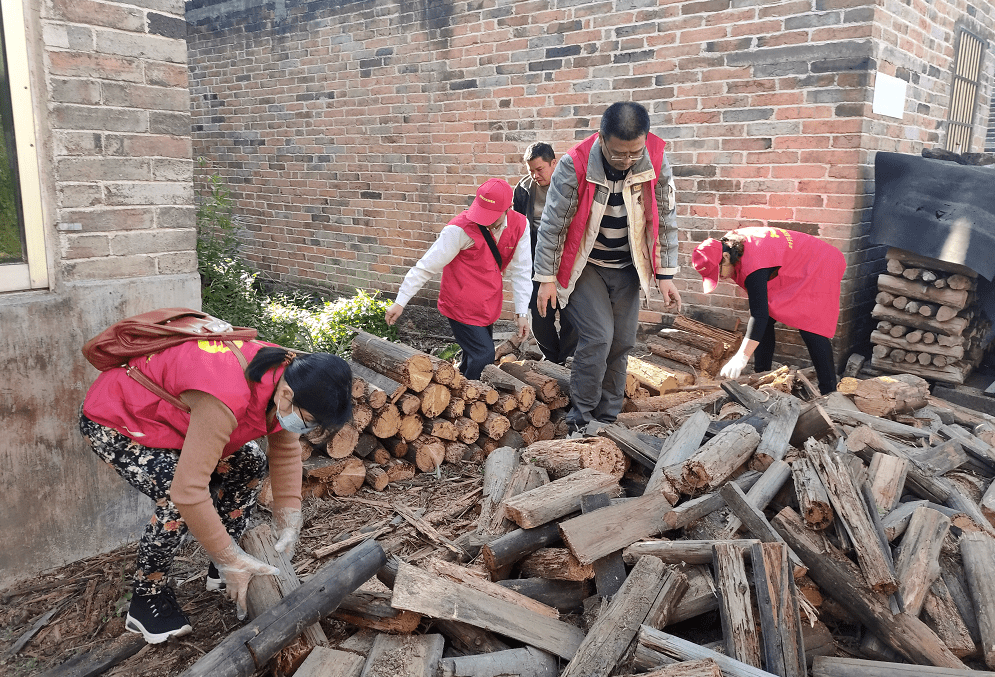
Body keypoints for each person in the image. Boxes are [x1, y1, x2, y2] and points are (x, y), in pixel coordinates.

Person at [79, 340, 353, 643]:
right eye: (310, 421)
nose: (306, 429)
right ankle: (147, 600)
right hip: (122, 420)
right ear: (287, 395)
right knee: (175, 498)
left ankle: (222, 568)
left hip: (176, 423)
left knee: (249, 462)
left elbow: (285, 451)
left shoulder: (290, 380)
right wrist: (228, 556)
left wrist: (289, 518)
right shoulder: (226, 392)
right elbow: (189, 491)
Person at [533, 101, 681, 431]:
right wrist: (545, 278)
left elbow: (665, 219)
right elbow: (553, 224)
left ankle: (607, 419)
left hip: (628, 265)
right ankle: (581, 420)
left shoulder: (656, 159)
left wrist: (666, 274)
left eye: (634, 153)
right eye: (618, 154)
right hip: (585, 264)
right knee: (598, 337)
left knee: (622, 341)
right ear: (601, 138)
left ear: (645, 139)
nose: (627, 161)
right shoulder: (574, 164)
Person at [385, 178, 531, 380]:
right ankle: (471, 395)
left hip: (488, 303)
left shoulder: (521, 226)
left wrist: (522, 312)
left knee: (472, 357)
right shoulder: (458, 230)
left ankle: (457, 389)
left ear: (509, 207)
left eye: (491, 216)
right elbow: (426, 267)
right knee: (484, 356)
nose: (485, 220)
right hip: (460, 304)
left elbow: (522, 271)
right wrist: (400, 302)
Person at [691, 226, 846, 394]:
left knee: (811, 327)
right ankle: (762, 375)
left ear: (726, 257)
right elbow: (762, 316)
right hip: (796, 263)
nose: (720, 277)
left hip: (820, 262)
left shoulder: (753, 263)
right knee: (767, 318)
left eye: (718, 272)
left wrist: (742, 357)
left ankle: (829, 391)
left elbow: (759, 316)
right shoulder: (730, 245)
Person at [513, 142, 577, 364]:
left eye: (539, 169)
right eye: (530, 170)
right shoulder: (523, 190)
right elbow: (518, 228)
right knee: (539, 315)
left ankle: (566, 360)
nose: (535, 175)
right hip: (535, 258)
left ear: (553, 163)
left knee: (572, 314)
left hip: (567, 257)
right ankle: (552, 359)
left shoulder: (570, 185)